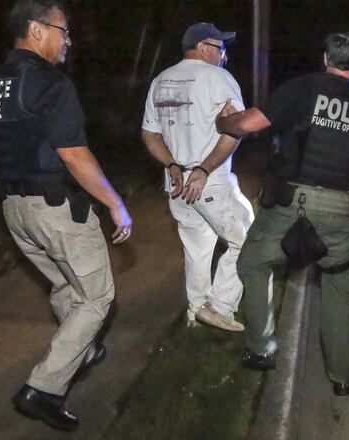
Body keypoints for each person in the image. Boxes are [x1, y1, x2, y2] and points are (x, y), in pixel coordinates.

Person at [0, 0, 132, 431]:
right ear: (36, 30)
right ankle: (42, 389)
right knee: (97, 299)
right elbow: (75, 155)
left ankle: (84, 348)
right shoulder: (50, 83)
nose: (68, 40)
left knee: (66, 283)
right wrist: (115, 203)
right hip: (55, 210)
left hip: (14, 210)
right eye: (63, 30)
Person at [216, 31, 349, 396]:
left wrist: (223, 122)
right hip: (344, 209)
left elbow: (247, 124)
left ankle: (261, 349)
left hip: (291, 205)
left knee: (252, 262)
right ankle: (342, 376)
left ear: (325, 58)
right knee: (339, 284)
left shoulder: (302, 89)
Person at [141, 22, 254, 332]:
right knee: (246, 241)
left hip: (176, 184)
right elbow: (234, 130)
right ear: (204, 48)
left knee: (197, 248)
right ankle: (220, 307)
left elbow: (149, 133)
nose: (225, 56)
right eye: (221, 49)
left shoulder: (160, 81)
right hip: (209, 181)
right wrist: (203, 169)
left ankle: (196, 313)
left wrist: (172, 164)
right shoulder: (218, 79)